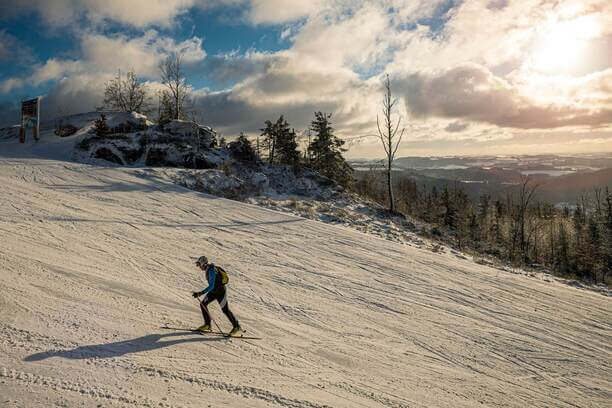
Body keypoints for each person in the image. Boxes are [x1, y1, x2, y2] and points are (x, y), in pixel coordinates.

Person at [192, 255, 242, 336]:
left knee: (225, 310)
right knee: (203, 304)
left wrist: (200, 293)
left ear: (203, 264)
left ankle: (236, 326)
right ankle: (207, 325)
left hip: (220, 292)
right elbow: (212, 286)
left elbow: (211, 285)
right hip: (213, 292)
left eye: (199, 265)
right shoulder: (208, 269)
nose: (199, 267)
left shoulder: (211, 270)